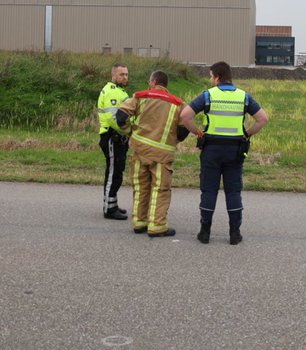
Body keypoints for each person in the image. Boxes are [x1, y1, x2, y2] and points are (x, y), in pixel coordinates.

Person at [180, 61, 268, 245]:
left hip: (211, 149)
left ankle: (205, 232)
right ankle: (234, 233)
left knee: (209, 190)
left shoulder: (207, 96)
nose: (210, 80)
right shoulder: (244, 97)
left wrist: (198, 133)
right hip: (235, 150)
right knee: (233, 191)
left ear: (217, 77)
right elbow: (262, 119)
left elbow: (185, 116)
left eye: (211, 76)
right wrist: (247, 134)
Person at [114, 70, 189, 237]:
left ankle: (139, 222)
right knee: (160, 189)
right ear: (165, 84)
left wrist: (130, 133)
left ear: (153, 82)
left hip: (140, 150)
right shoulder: (178, 104)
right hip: (163, 154)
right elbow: (184, 131)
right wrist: (173, 140)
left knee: (141, 187)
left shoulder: (140, 97)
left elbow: (120, 116)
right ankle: (157, 225)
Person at [96, 63, 130, 219]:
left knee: (116, 171)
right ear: (114, 75)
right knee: (113, 173)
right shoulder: (113, 92)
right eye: (122, 74)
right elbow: (113, 119)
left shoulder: (118, 91)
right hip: (112, 137)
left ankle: (112, 204)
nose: (125, 77)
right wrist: (129, 131)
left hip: (116, 137)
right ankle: (109, 209)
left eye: (126, 74)